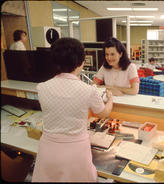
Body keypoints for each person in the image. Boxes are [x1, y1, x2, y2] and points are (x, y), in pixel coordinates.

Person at [32, 38, 113, 182]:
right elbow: (104, 113)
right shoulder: (88, 91)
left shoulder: (41, 87)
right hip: (76, 151)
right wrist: (110, 99)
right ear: (81, 62)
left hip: (48, 150)